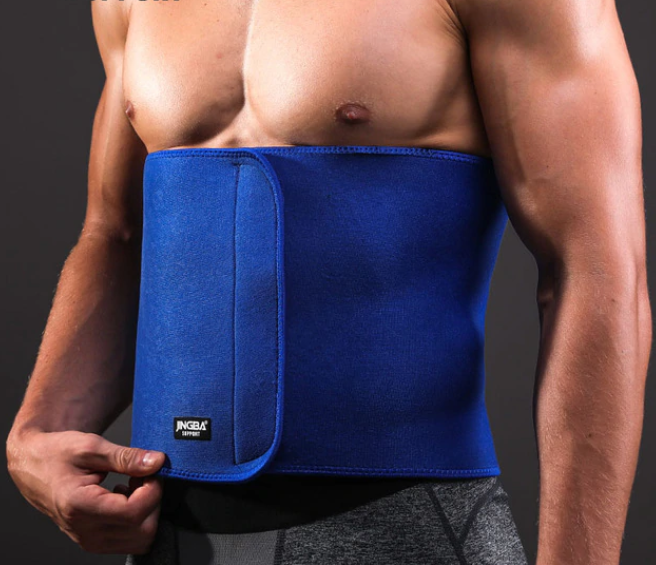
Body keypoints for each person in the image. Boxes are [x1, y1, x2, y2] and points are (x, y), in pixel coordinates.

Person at [6, 0, 650, 564]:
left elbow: (595, 268)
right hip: (175, 531)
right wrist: (37, 434)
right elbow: (118, 234)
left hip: (406, 529)